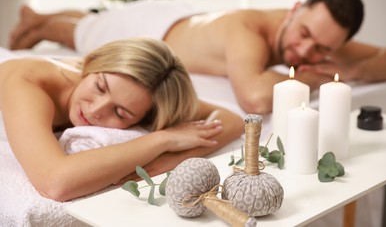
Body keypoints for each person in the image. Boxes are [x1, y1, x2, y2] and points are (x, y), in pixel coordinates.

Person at [8, 0, 386, 114]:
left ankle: (39, 16)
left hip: (192, 20)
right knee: (84, 30)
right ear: (294, 10)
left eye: (322, 47)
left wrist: (351, 68)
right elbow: (255, 98)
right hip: (150, 32)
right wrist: (319, 75)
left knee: (93, 18)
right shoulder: (248, 30)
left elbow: (385, 60)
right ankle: (38, 23)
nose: (305, 48)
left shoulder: (318, 37)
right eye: (303, 33)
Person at [0, 37, 244, 202]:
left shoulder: (147, 95)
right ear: (92, 63)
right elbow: (54, 183)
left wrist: (173, 159)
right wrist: (163, 140)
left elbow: (231, 120)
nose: (96, 110)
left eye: (120, 112)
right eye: (99, 86)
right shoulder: (28, 82)